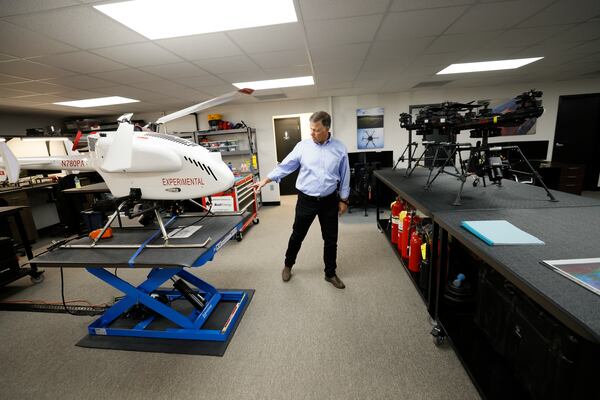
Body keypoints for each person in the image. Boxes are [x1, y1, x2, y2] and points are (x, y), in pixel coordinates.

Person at [252, 111, 350, 289]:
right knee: (297, 235)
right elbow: (286, 165)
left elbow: (345, 174)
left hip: (329, 200)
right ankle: (288, 265)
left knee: (331, 239)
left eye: (316, 130)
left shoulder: (339, 148)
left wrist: (344, 199)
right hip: (306, 200)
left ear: (327, 128)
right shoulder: (303, 146)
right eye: (311, 129)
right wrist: (267, 179)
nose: (312, 133)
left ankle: (330, 273)